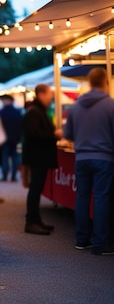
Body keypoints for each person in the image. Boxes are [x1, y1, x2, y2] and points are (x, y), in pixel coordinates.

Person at [63, 68, 114, 255]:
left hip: (81, 158)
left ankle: (82, 239)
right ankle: (101, 243)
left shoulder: (76, 106)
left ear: (90, 82)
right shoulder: (110, 105)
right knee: (102, 198)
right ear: (104, 82)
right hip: (104, 158)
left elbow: (68, 134)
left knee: (82, 198)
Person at [22, 84, 62, 235]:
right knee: (35, 189)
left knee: (36, 189)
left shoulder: (35, 111)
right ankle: (31, 221)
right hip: (38, 157)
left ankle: (35, 220)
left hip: (38, 156)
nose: (51, 98)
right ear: (41, 94)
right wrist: (54, 134)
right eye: (49, 95)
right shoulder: (34, 112)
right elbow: (34, 134)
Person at [0, 94, 23, 182]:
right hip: (15, 139)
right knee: (15, 158)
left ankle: (5, 175)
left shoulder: (0, 112)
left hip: (4, 140)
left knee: (5, 158)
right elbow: (20, 126)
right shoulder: (17, 112)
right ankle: (13, 176)